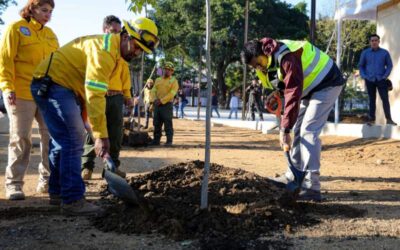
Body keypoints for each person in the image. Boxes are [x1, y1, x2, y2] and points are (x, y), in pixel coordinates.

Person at [31, 17, 159, 215]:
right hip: (52, 84)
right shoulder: (104, 51)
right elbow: (95, 96)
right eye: (136, 46)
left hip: (60, 87)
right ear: (125, 36)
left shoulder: (116, 54)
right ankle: (72, 200)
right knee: (74, 139)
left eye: (141, 50)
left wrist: (95, 130)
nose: (137, 52)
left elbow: (86, 95)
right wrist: (100, 136)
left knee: (61, 141)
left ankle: (57, 193)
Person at [242, 37, 345, 201]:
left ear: (264, 52)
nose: (258, 68)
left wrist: (284, 129)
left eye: (258, 62)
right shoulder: (266, 64)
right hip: (308, 89)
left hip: (328, 82)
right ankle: (294, 175)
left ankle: (312, 185)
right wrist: (278, 95)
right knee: (297, 128)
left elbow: (293, 92)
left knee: (308, 130)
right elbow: (284, 87)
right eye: (254, 66)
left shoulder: (288, 57)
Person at [0, 0, 58, 200]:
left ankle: (47, 180)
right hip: (20, 92)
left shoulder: (50, 35)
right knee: (21, 138)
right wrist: (7, 88)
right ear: (31, 9)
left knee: (49, 137)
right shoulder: (15, 28)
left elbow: (56, 64)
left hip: (46, 94)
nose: (47, 14)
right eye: (43, 10)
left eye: (50, 11)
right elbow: (5, 60)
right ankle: (14, 184)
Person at [81, 15, 132, 181]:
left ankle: (112, 168)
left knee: (116, 133)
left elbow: (125, 77)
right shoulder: (98, 50)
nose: (116, 35)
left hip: (116, 98)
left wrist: (127, 96)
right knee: (93, 132)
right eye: (113, 31)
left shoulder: (122, 54)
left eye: (119, 32)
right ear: (104, 30)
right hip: (98, 96)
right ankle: (86, 167)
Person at [358, 34, 396, 125]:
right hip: (369, 79)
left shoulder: (384, 53)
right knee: (372, 99)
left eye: (376, 40)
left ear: (379, 41)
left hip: (381, 79)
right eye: (372, 40)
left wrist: (384, 76)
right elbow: (361, 66)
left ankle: (389, 119)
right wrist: (364, 76)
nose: (374, 42)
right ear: (370, 42)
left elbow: (389, 65)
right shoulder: (365, 53)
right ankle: (371, 119)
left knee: (385, 99)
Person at [150, 62, 179, 146]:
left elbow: (172, 93)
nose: (167, 71)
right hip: (157, 105)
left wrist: (161, 101)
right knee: (156, 123)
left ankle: (169, 141)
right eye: (166, 69)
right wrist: (154, 100)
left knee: (168, 123)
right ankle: (156, 140)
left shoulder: (174, 81)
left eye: (169, 70)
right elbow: (153, 91)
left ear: (172, 71)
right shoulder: (158, 80)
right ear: (163, 70)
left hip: (167, 106)